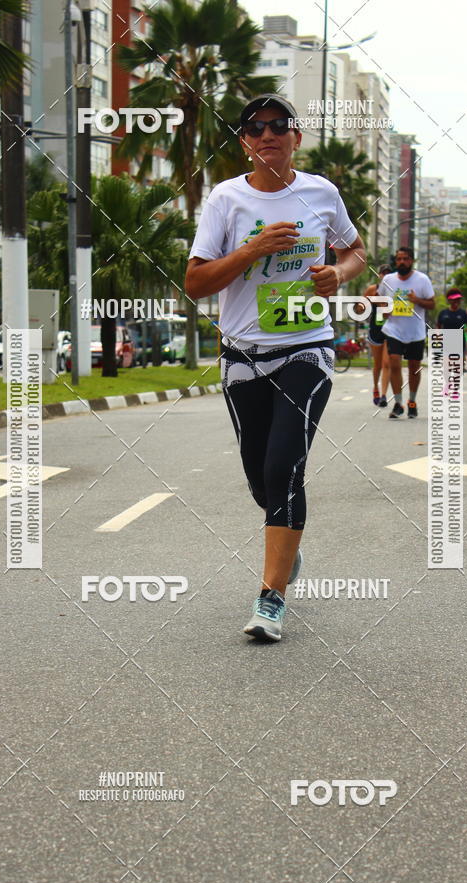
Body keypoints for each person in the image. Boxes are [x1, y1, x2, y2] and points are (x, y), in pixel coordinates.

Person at [184, 93, 366, 641]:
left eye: (279, 125)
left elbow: (356, 251)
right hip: (243, 354)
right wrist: (252, 249)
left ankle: (271, 598)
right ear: (244, 142)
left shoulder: (321, 193)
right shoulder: (226, 199)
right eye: (256, 127)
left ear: (296, 138)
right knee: (261, 477)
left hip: (307, 348)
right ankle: (287, 548)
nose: (268, 134)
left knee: (285, 465)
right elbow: (195, 283)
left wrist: (339, 273)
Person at [377, 247, 435, 419]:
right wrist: (384, 310)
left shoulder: (422, 280)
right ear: (396, 261)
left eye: (406, 259)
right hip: (394, 329)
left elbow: (432, 304)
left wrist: (417, 300)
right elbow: (380, 299)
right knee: (394, 363)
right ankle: (398, 403)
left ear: (412, 261)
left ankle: (412, 401)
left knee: (414, 367)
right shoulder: (388, 279)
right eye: (399, 259)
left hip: (415, 331)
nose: (402, 262)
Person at [363, 265, 391, 407]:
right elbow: (360, 307)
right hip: (376, 329)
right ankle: (375, 388)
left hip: (391, 330)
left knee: (387, 363)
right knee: (378, 364)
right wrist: (368, 302)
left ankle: (384, 395)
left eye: (388, 273)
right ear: (379, 275)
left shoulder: (395, 290)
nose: (385, 276)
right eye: (383, 273)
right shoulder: (372, 290)